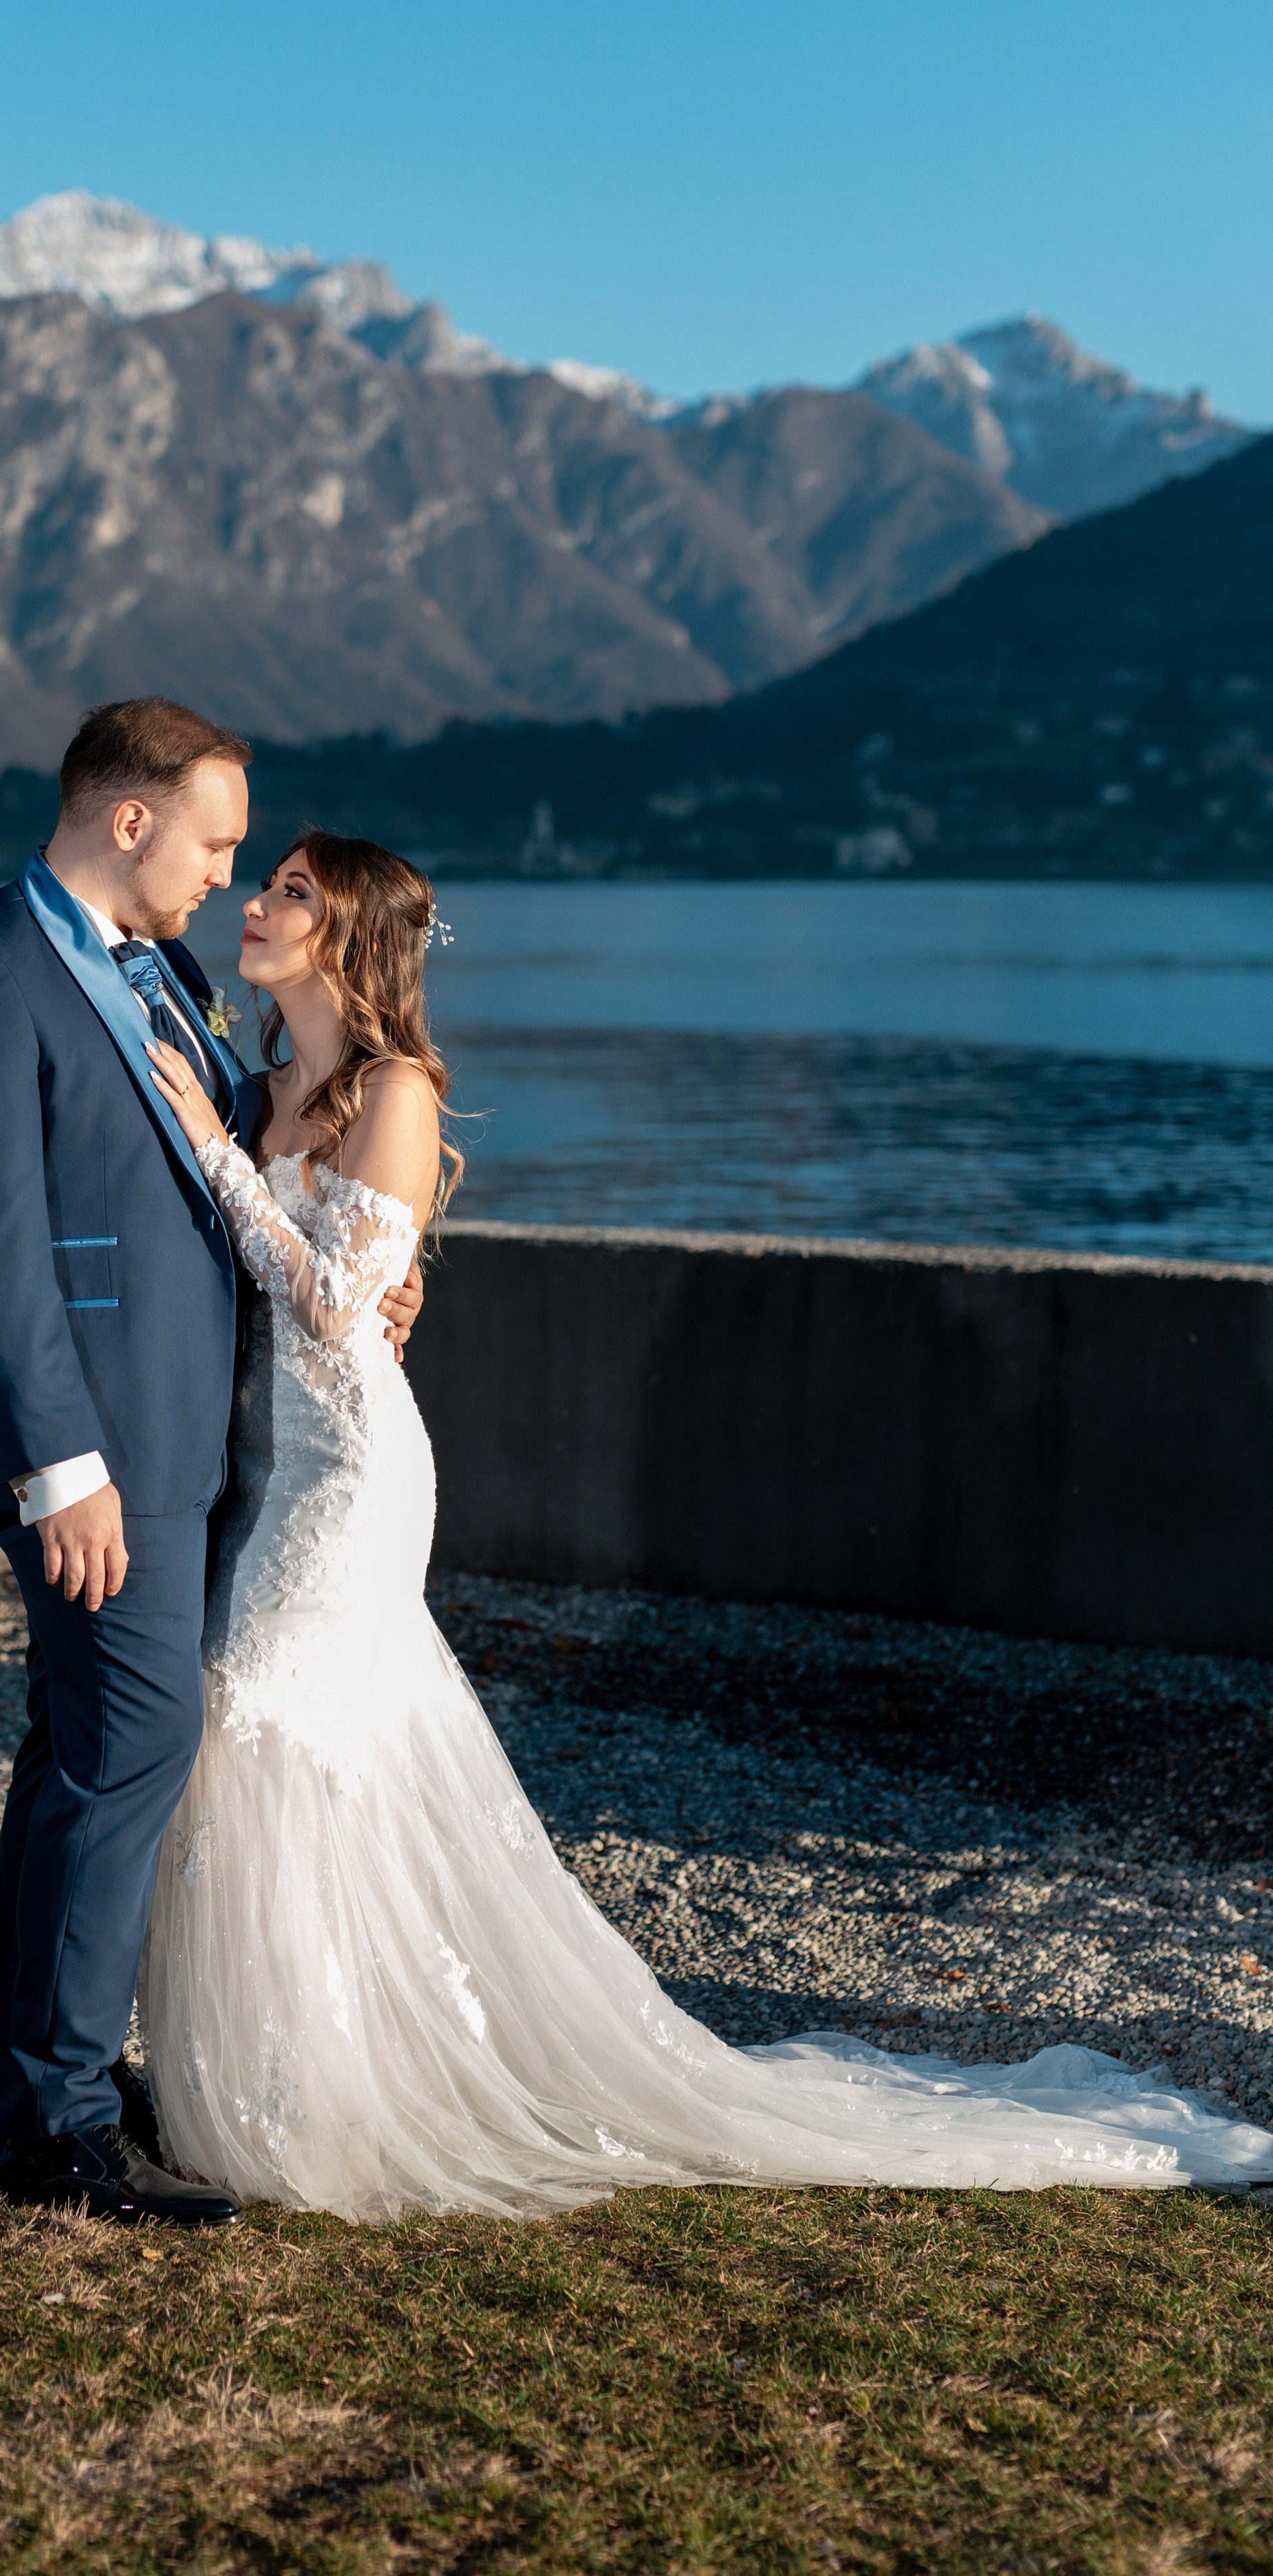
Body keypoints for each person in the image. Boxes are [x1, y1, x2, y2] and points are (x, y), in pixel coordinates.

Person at [140, 829, 1273, 2217]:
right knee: (280, 1745)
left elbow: (328, 1304)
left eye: (292, 893)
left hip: (352, 1483)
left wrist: (214, 1156)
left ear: (353, 934)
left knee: (259, 1710)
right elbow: (303, 1286)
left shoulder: (396, 1094)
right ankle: (290, 2076)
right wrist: (233, 1148)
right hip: (261, 1467)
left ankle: (317, 2104)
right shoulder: (262, 1088)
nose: (255, 903)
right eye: (262, 887)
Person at [0, 701, 422, 2228]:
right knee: (130, 1746)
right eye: (215, 842)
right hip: (98, 1451)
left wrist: (370, 1274)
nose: (226, 877)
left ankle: (54, 2073)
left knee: (86, 1747)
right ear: (131, 822)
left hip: (207, 1434)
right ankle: (51, 2127)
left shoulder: (168, 976)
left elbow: (243, 1175)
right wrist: (62, 1469)